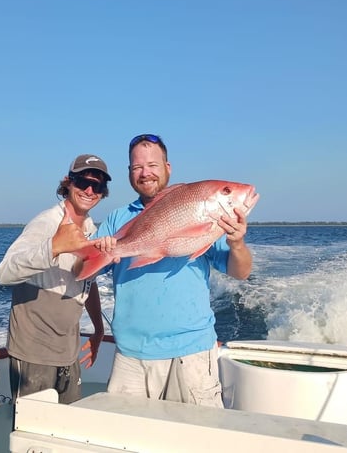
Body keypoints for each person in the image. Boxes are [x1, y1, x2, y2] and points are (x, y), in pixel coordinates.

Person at [94, 134, 253, 408]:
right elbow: (85, 270)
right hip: (131, 355)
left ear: (168, 168)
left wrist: (236, 242)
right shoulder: (117, 219)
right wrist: (102, 252)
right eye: (137, 167)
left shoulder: (209, 216)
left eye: (153, 165)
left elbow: (240, 272)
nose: (146, 174)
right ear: (130, 174)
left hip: (190, 353)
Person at [0, 154, 111, 404]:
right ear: (68, 183)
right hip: (34, 354)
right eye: (82, 182)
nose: (89, 190)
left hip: (68, 353)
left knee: (66, 427)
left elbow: (86, 282)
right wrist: (53, 247)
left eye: (98, 185)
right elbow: (4, 272)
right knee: (32, 435)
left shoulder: (91, 230)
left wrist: (99, 330)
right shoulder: (46, 223)